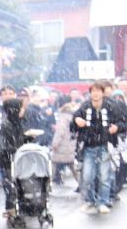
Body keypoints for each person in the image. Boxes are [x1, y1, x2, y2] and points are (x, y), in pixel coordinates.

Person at [71, 80, 126, 214]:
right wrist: (77, 121)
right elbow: (73, 122)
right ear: (90, 93)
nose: (95, 94)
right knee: (88, 176)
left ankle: (103, 201)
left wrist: (116, 127)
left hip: (106, 145)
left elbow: (122, 123)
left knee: (104, 176)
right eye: (93, 91)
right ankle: (89, 201)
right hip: (88, 146)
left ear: (102, 93)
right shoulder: (84, 106)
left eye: (98, 91)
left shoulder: (111, 106)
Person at [50, 97, 78, 186]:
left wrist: (54, 144)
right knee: (73, 166)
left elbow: (60, 132)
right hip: (71, 145)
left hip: (61, 147)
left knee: (53, 166)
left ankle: (46, 187)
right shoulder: (73, 117)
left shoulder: (62, 117)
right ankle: (83, 185)